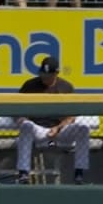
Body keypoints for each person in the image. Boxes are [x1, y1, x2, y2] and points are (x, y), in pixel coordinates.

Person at [16, 56, 90, 185]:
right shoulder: (30, 85)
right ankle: (23, 173)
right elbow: (16, 108)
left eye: (49, 75)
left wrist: (58, 128)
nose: (45, 78)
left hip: (61, 130)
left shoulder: (66, 87)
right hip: (38, 130)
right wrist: (22, 118)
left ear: (56, 73)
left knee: (83, 127)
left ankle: (79, 173)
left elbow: (72, 116)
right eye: (43, 74)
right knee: (26, 126)